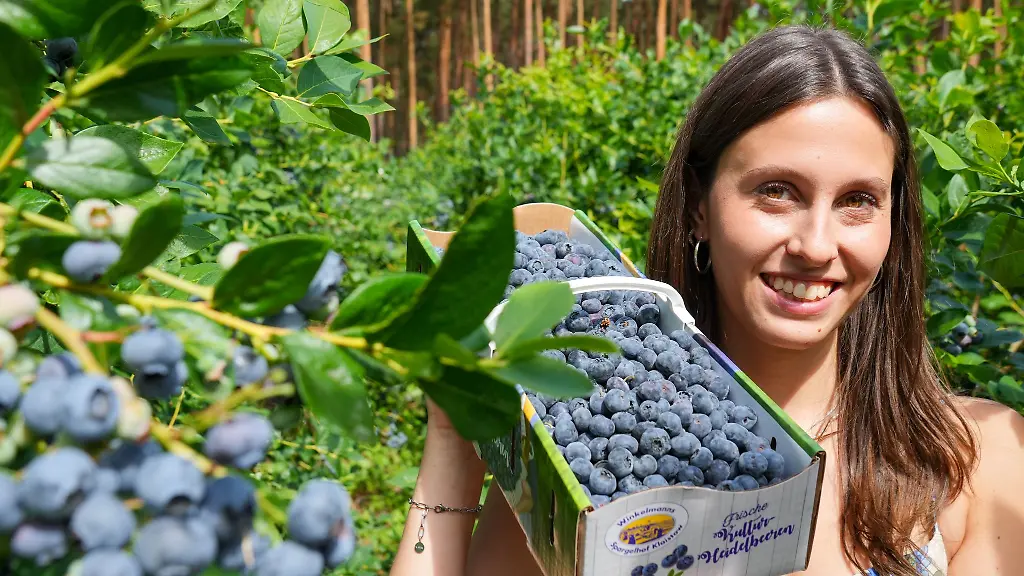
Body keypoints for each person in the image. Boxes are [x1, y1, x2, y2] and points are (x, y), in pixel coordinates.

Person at [389, 24, 1024, 576]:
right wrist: (454, 434)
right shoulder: (581, 484)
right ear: (699, 206)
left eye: (858, 201)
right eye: (777, 191)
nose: (816, 244)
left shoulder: (978, 459)